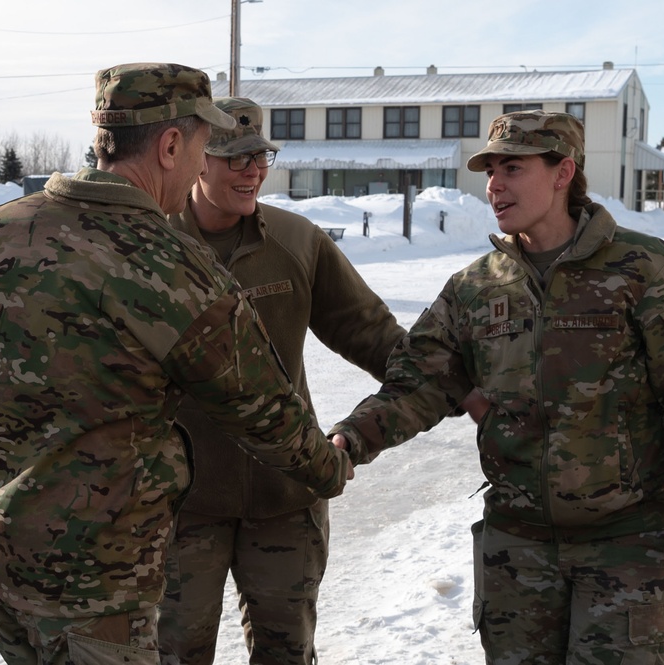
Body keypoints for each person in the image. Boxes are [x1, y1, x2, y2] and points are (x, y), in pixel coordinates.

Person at [0, 64, 351, 665]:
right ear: (171, 145)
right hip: (103, 590)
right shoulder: (170, 263)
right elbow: (261, 407)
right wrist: (329, 469)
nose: (203, 163)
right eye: (203, 145)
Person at [330, 110, 664, 664]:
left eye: (513, 167)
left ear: (563, 171)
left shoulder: (647, 269)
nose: (494, 185)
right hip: (516, 547)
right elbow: (418, 383)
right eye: (491, 170)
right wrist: (349, 441)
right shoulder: (476, 286)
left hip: (626, 541)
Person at [156, 97, 407, 665]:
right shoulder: (154, 247)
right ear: (198, 160)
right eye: (235, 159)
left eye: (260, 156)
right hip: (181, 506)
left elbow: (371, 333)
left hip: (286, 496)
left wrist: (449, 380)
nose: (253, 171)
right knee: (172, 653)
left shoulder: (296, 242)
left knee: (287, 653)